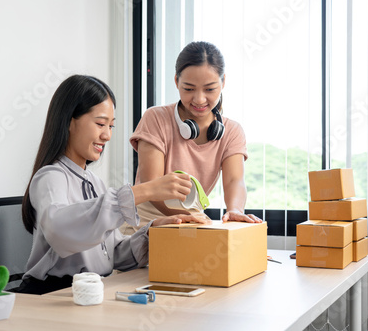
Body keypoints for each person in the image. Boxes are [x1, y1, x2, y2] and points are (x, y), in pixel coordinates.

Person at [14, 74, 210, 295]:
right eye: (100, 124)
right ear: (69, 121)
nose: (107, 135)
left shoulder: (94, 182)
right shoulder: (50, 177)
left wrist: (154, 231)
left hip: (90, 291)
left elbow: (113, 253)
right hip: (52, 294)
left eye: (111, 126)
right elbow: (60, 230)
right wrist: (145, 191)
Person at [127, 41, 261, 233]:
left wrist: (235, 210)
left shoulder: (232, 131)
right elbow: (152, 185)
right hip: (146, 221)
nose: (199, 99)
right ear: (176, 82)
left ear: (223, 82)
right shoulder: (155, 118)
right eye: (189, 89)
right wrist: (187, 217)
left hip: (191, 222)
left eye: (209, 89)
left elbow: (234, 181)